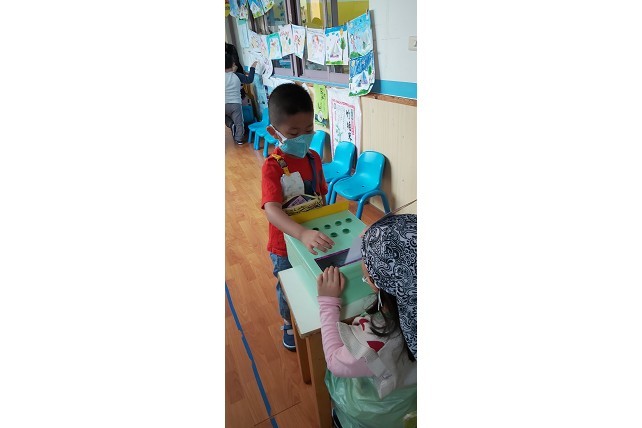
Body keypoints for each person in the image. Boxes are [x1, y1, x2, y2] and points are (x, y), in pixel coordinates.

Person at [316, 214, 417, 428]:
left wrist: (328, 302)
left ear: (378, 285)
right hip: (409, 403)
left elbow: (335, 361)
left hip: (375, 413)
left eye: (367, 277)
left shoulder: (376, 342)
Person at [261, 83, 334, 351]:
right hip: (285, 243)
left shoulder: (314, 158)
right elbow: (271, 209)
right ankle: (288, 322)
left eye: (308, 130)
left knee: (312, 278)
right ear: (274, 132)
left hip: (314, 236)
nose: (303, 137)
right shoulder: (272, 166)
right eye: (294, 133)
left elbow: (321, 194)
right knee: (288, 286)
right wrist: (301, 233)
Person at [225, 53, 256, 145]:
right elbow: (249, 80)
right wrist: (252, 68)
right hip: (235, 104)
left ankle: (230, 124)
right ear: (232, 64)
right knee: (239, 123)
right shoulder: (237, 76)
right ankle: (239, 139)